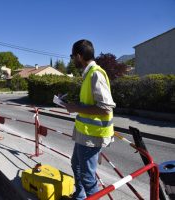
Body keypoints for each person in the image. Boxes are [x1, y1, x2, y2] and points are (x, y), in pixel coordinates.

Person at [62, 39, 116, 199]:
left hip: (92, 136)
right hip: (84, 133)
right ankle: (80, 197)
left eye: (72, 56)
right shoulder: (88, 74)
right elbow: (90, 104)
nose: (72, 59)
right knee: (76, 166)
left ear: (79, 56)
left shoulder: (95, 74)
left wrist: (75, 108)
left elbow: (106, 108)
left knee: (88, 178)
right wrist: (73, 105)